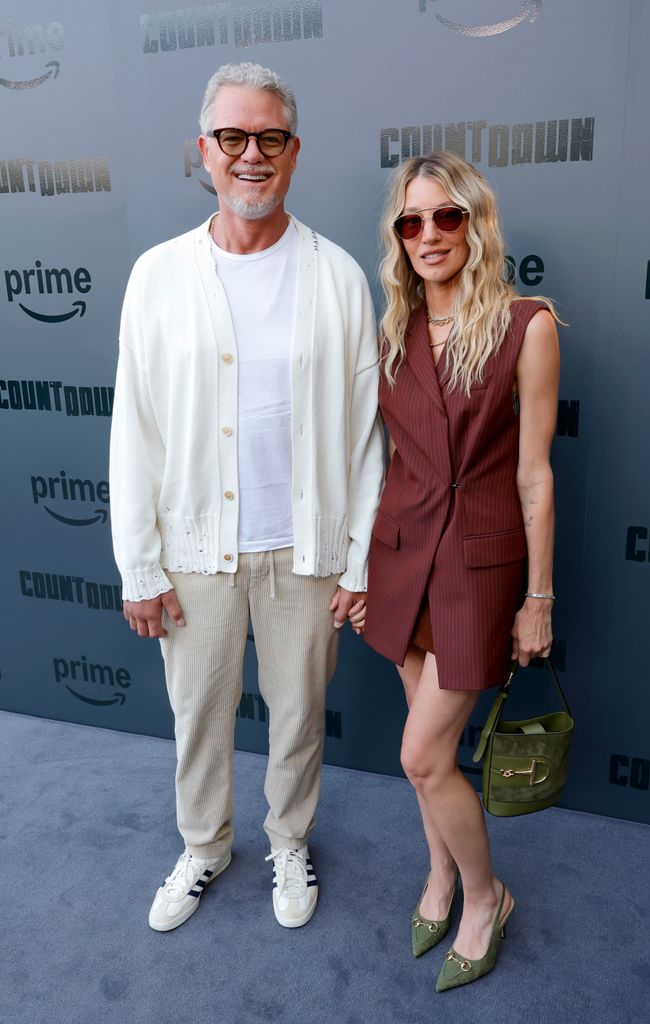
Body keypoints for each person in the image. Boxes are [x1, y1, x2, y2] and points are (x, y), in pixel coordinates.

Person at [109, 61, 383, 932]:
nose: (251, 154)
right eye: (232, 137)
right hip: (195, 551)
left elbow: (366, 436)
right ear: (205, 150)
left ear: (294, 151)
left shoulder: (338, 276)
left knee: (299, 718)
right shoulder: (157, 275)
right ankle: (204, 845)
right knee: (198, 716)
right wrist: (139, 566)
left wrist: (358, 558)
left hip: (306, 550)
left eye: (269, 137)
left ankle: (289, 840)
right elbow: (134, 429)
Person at [361, 152, 560, 990]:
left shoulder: (527, 325)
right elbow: (386, 461)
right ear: (398, 237)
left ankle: (486, 898)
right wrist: (358, 570)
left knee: (421, 755)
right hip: (401, 560)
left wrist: (538, 598)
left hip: (478, 570)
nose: (429, 235)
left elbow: (535, 474)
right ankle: (440, 874)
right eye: (412, 222)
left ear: (475, 223)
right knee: (430, 752)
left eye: (447, 216)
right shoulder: (392, 331)